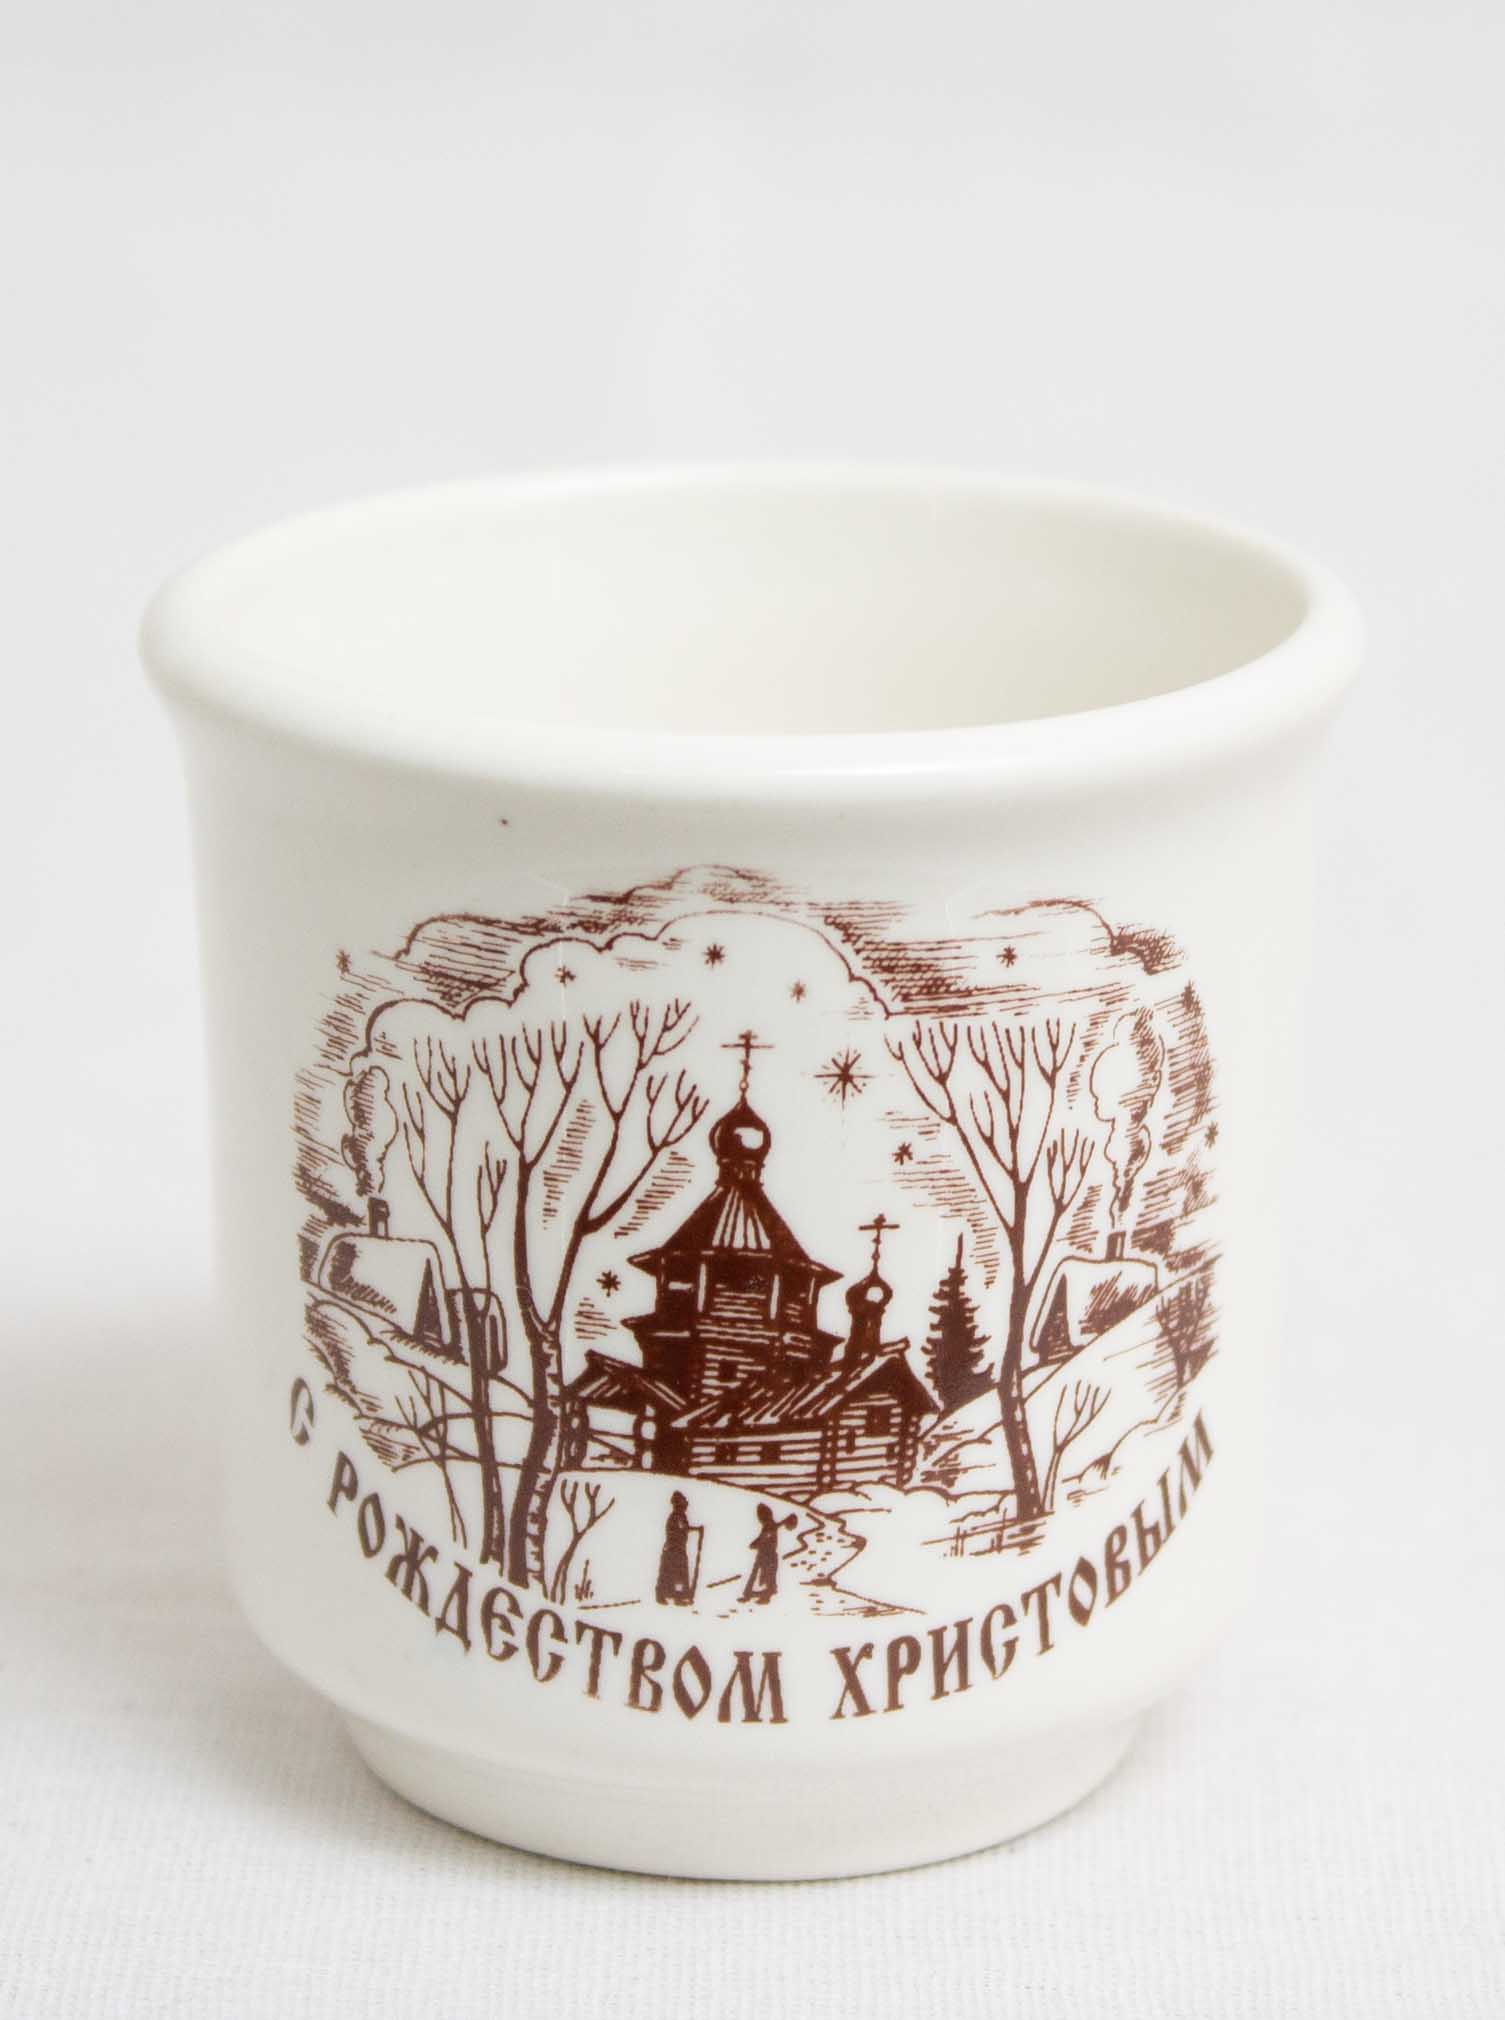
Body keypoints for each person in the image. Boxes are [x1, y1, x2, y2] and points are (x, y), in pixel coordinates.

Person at [741, 1502, 797, 1604]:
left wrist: (755, 1544)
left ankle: (752, 1594)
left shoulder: (769, 1526)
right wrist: (756, 1543)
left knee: (764, 1577)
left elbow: (764, 1537)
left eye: (760, 1516)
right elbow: (764, 1537)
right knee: (765, 1577)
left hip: (767, 1556)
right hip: (765, 1554)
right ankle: (757, 1595)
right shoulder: (770, 1525)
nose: (759, 1519)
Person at [656, 1491, 695, 1605]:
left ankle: (676, 1596)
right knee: (676, 1573)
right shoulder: (677, 1516)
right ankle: (671, 1596)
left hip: (676, 1548)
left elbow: (684, 1528)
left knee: (675, 1574)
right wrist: (694, 1529)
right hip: (674, 1549)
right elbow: (683, 1527)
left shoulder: (678, 1515)